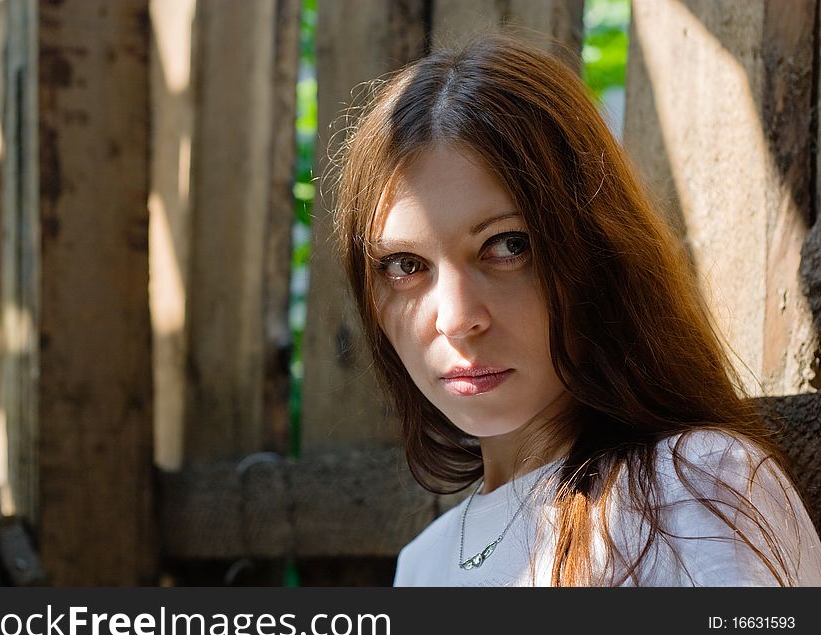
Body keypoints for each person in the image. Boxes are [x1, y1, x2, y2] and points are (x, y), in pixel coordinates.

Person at [328, 32, 821, 586]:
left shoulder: (696, 489)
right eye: (404, 265)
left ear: (595, 255)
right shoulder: (420, 564)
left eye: (508, 246)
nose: (455, 318)